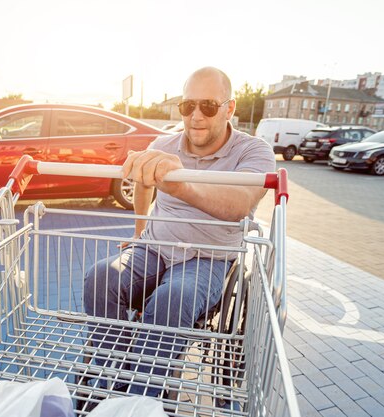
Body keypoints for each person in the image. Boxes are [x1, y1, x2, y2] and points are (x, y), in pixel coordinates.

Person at [83, 66, 276, 398]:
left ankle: (140, 399)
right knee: (101, 276)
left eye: (208, 106)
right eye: (188, 106)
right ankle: (107, 379)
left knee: (175, 298)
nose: (196, 116)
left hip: (207, 257)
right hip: (155, 247)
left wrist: (182, 182)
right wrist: (141, 228)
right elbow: (144, 185)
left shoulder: (253, 152)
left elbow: (239, 204)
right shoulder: (164, 144)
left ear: (229, 108)